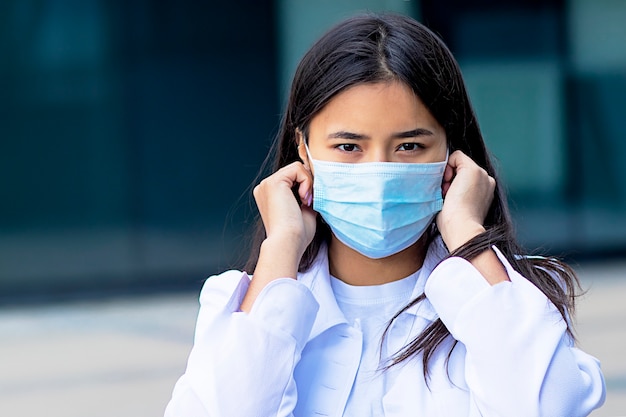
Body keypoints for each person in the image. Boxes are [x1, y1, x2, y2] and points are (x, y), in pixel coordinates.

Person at [164, 13, 605, 417]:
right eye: (348, 147)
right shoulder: (241, 305)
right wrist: (280, 248)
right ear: (303, 150)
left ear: (452, 151)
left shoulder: (509, 295)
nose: (379, 171)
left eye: (410, 146)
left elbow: (544, 407)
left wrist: (469, 235)